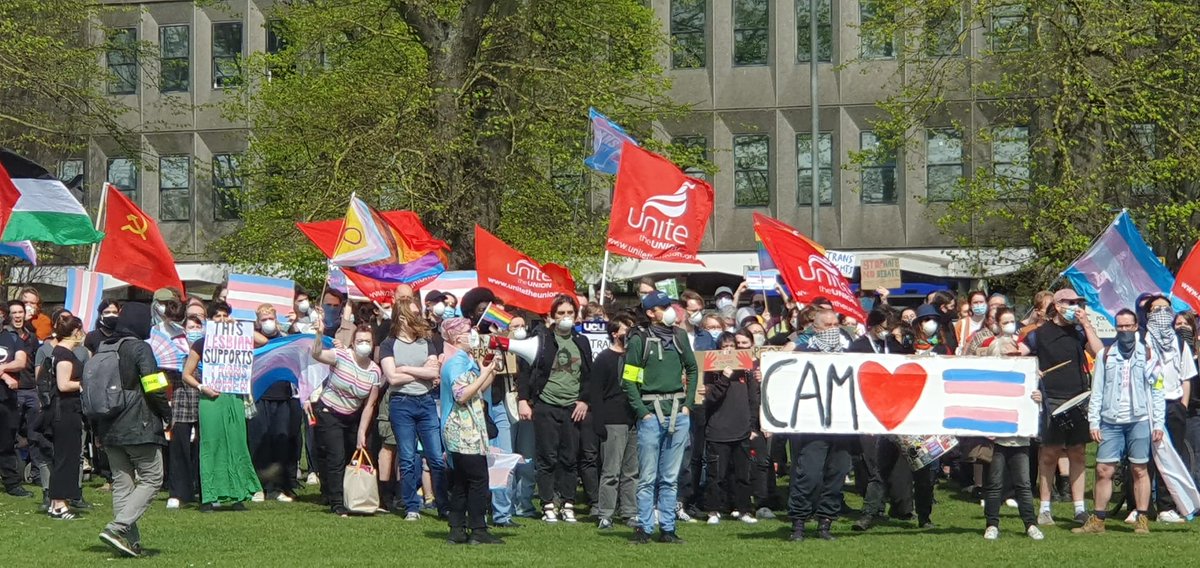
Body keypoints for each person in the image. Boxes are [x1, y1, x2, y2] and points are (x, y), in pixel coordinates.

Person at [1072, 309, 1163, 535]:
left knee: (1140, 469)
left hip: (1139, 419)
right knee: (1103, 469)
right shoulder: (1105, 354)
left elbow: (1158, 390)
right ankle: (1098, 519)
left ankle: (1142, 517)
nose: (1123, 330)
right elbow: (1098, 390)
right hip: (1110, 420)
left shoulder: (1149, 354)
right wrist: (1094, 422)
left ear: (1135, 327)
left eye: (1127, 326)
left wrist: (1158, 423)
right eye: (1119, 326)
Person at [95, 303, 171, 557]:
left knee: (122, 483)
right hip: (138, 424)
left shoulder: (103, 347)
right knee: (152, 478)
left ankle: (130, 542)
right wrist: (167, 414)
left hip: (107, 425)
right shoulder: (141, 348)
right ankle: (117, 529)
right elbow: (153, 385)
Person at [1024, 288, 1103, 526]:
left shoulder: (1079, 333)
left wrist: (1087, 325)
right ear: (1057, 306)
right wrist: (1031, 370)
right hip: (1051, 399)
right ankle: (1045, 508)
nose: (1075, 306)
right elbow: (1018, 356)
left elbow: (1100, 353)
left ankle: (1079, 508)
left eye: (1078, 303)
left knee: (1077, 451)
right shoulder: (1040, 334)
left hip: (1078, 398)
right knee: (1049, 454)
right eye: (1070, 302)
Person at [625, 290, 698, 544]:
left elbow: (692, 368)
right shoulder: (638, 340)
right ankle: (645, 527)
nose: (669, 310)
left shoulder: (679, 336)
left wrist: (688, 404)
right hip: (651, 413)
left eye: (669, 305)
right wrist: (642, 413)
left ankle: (667, 528)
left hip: (678, 412)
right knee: (647, 476)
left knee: (670, 476)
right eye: (663, 306)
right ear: (650, 313)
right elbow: (629, 380)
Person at [182, 301, 261, 512]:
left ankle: (238, 494)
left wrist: (238, 326)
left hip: (233, 397)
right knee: (211, 445)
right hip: (211, 399)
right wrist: (202, 387)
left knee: (236, 443)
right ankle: (209, 496)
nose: (222, 319)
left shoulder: (239, 340)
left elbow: (262, 341)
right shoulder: (201, 343)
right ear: (210, 320)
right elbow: (186, 374)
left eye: (225, 315)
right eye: (217, 316)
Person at [521, 294, 594, 523]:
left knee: (569, 457)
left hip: (572, 407)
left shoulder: (581, 341)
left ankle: (568, 503)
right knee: (547, 457)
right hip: (546, 405)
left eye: (569, 313)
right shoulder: (541, 339)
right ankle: (548, 504)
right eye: (561, 313)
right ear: (552, 316)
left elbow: (589, 375)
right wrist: (524, 399)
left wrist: (584, 400)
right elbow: (525, 370)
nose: (565, 317)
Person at [788, 308, 854, 541]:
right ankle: (798, 524)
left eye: (836, 324)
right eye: (827, 325)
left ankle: (825, 523)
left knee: (836, 476)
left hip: (843, 426)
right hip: (812, 426)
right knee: (809, 475)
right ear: (815, 328)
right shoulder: (802, 352)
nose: (833, 329)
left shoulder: (851, 353)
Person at [979, 307, 1044, 541]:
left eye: (1014, 354)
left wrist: (1038, 398)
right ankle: (992, 524)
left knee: (1024, 484)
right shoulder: (990, 380)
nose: (1012, 357)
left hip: (1020, 438)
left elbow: (1035, 407)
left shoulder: (1028, 377)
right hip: (997, 438)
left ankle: (1030, 524)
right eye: (1007, 355)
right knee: (995, 483)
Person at [310, 315, 384, 517]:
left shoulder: (375, 372)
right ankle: (336, 502)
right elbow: (316, 353)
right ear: (353, 343)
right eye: (360, 341)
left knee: (351, 456)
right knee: (336, 456)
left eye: (367, 341)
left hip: (352, 416)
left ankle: (349, 496)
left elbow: (369, 405)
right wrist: (319, 333)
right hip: (329, 411)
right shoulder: (341, 355)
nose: (363, 345)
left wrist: (362, 432)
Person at [439, 317, 503, 545]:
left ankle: (457, 529)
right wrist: (485, 374)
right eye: (469, 330)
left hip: (467, 430)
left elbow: (476, 390)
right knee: (477, 480)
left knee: (462, 481)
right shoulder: (456, 362)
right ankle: (478, 529)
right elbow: (462, 394)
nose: (473, 333)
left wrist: (490, 372)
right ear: (457, 337)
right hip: (462, 430)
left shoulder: (463, 360)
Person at [381, 297, 447, 520]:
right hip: (402, 403)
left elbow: (433, 372)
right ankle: (411, 506)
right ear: (401, 317)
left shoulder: (426, 341)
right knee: (408, 457)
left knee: (436, 457)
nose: (419, 317)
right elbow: (392, 377)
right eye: (414, 313)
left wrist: (406, 368)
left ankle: (443, 504)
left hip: (426, 401)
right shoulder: (388, 344)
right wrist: (421, 370)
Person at [851, 307, 914, 532]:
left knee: (897, 460)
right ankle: (872, 510)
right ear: (873, 326)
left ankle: (901, 505)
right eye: (882, 328)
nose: (885, 332)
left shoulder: (893, 346)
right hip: (870, 412)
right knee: (874, 463)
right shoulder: (857, 347)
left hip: (895, 411)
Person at [1140, 295, 1196, 523]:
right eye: (1156, 309)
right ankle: (1141, 507)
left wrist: (1182, 405)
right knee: (1143, 456)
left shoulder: (1179, 342)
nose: (1162, 313)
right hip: (1147, 405)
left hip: (1173, 405)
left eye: (1166, 309)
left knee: (1172, 456)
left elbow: (1187, 376)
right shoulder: (1142, 342)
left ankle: (1166, 506)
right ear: (1148, 314)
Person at [703, 330, 760, 525]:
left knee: (743, 475)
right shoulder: (711, 371)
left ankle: (744, 509)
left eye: (732, 347)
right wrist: (724, 378)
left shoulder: (746, 371)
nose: (728, 350)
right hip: (719, 430)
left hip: (741, 430)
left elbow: (753, 399)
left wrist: (752, 426)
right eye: (724, 347)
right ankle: (713, 510)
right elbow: (710, 399)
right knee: (716, 475)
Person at [248, 304, 301, 503]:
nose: (267, 322)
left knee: (281, 440)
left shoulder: (285, 340)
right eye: (263, 318)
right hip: (260, 397)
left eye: (270, 318)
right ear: (257, 321)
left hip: (282, 397)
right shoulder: (252, 341)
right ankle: (258, 486)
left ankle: (277, 488)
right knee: (259, 441)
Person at [593, 315, 639, 529]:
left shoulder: (634, 357)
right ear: (614, 333)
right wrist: (599, 423)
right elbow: (596, 393)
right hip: (613, 420)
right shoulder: (604, 359)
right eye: (625, 329)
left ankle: (630, 511)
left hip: (634, 419)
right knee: (611, 470)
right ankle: (606, 514)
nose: (629, 332)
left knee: (631, 470)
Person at [46, 314, 86, 520]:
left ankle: (56, 503)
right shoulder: (64, 355)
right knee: (67, 457)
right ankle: (60, 503)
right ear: (75, 332)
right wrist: (84, 385)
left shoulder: (60, 351)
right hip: (65, 411)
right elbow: (63, 384)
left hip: (67, 410)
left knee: (64, 456)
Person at [167, 315, 205, 509]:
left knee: (203, 448)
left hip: (205, 400)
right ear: (184, 329)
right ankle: (179, 492)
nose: (195, 328)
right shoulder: (172, 348)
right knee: (179, 448)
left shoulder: (209, 347)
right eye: (191, 326)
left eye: (199, 325)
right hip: (181, 401)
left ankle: (204, 488)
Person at [7, 301, 45, 492]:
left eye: (20, 312)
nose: (17, 316)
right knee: (10, 435)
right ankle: (14, 477)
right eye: (14, 312)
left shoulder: (31, 336)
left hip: (31, 389)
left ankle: (38, 474)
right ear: (9, 315)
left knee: (35, 434)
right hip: (11, 391)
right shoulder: (4, 336)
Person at [0, 310, 30, 497]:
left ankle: (12, 483)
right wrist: (4, 374)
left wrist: (3, 368)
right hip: (6, 386)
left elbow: (21, 362)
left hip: (7, 398)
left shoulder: (12, 338)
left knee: (7, 442)